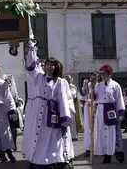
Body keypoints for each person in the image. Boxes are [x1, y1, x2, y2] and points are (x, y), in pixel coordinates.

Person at [24, 39, 74, 169]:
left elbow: (63, 99)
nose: (49, 66)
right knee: (38, 136)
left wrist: (65, 118)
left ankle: (55, 160)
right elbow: (30, 67)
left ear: (56, 67)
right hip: (38, 112)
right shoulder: (39, 77)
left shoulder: (61, 82)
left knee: (53, 138)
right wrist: (31, 50)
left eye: (52, 65)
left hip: (53, 114)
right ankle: (38, 161)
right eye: (47, 64)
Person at [92, 64, 125, 164]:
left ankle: (119, 152)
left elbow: (119, 99)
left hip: (111, 110)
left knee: (114, 132)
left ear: (109, 74)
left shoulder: (115, 85)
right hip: (101, 110)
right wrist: (92, 88)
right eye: (101, 74)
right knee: (102, 133)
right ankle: (106, 155)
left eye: (104, 74)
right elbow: (94, 98)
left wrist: (121, 112)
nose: (102, 76)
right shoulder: (98, 86)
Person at [78, 73, 98, 158]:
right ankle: (88, 148)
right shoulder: (87, 85)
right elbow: (80, 97)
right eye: (91, 79)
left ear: (97, 79)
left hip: (97, 107)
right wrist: (84, 90)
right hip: (88, 107)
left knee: (97, 128)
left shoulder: (99, 86)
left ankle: (97, 148)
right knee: (88, 128)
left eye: (94, 79)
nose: (92, 80)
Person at [4, 75, 24, 151]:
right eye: (6, 82)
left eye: (9, 83)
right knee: (6, 130)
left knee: (13, 129)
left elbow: (16, 100)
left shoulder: (13, 91)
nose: (8, 84)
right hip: (5, 111)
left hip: (13, 111)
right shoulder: (3, 90)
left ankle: (14, 145)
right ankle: (7, 146)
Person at [65, 75, 83, 141]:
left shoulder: (73, 87)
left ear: (71, 80)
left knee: (72, 121)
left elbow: (73, 95)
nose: (68, 80)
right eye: (67, 79)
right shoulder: (63, 85)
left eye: (69, 79)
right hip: (64, 105)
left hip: (71, 106)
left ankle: (73, 136)